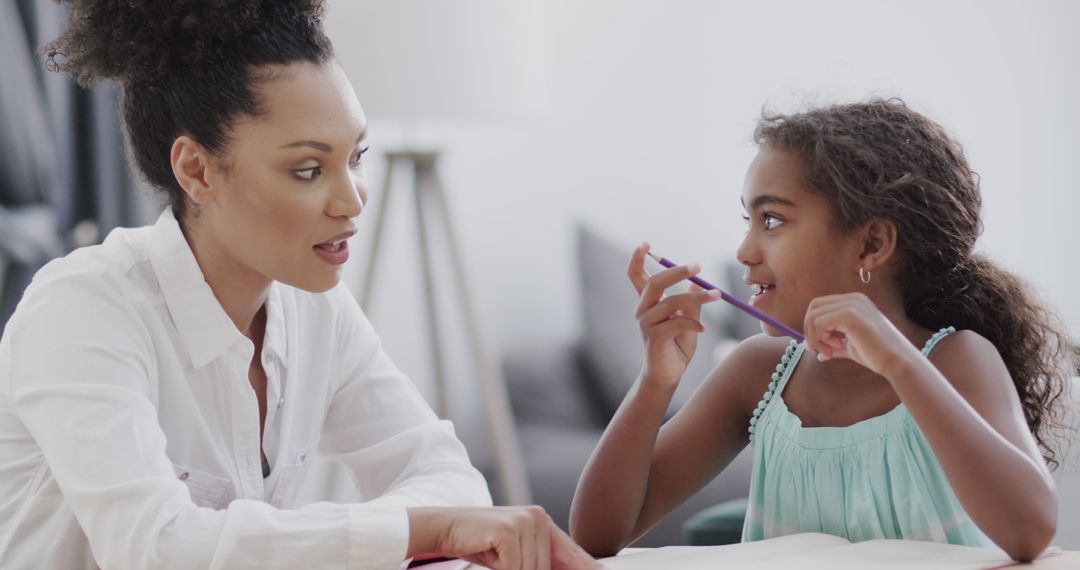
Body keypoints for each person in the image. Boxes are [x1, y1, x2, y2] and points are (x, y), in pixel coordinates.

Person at [0, 2, 599, 569]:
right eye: (309, 169)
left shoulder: (315, 311)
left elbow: (445, 475)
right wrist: (422, 529)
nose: (353, 198)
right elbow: (156, 548)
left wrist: (422, 524)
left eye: (356, 157)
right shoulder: (82, 309)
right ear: (196, 170)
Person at [569, 99, 1075, 562]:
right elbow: (598, 537)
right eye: (748, 220)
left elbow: (1029, 532)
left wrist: (899, 363)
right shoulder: (756, 375)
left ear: (871, 243)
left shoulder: (956, 359)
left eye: (771, 220)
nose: (745, 250)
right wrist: (655, 382)